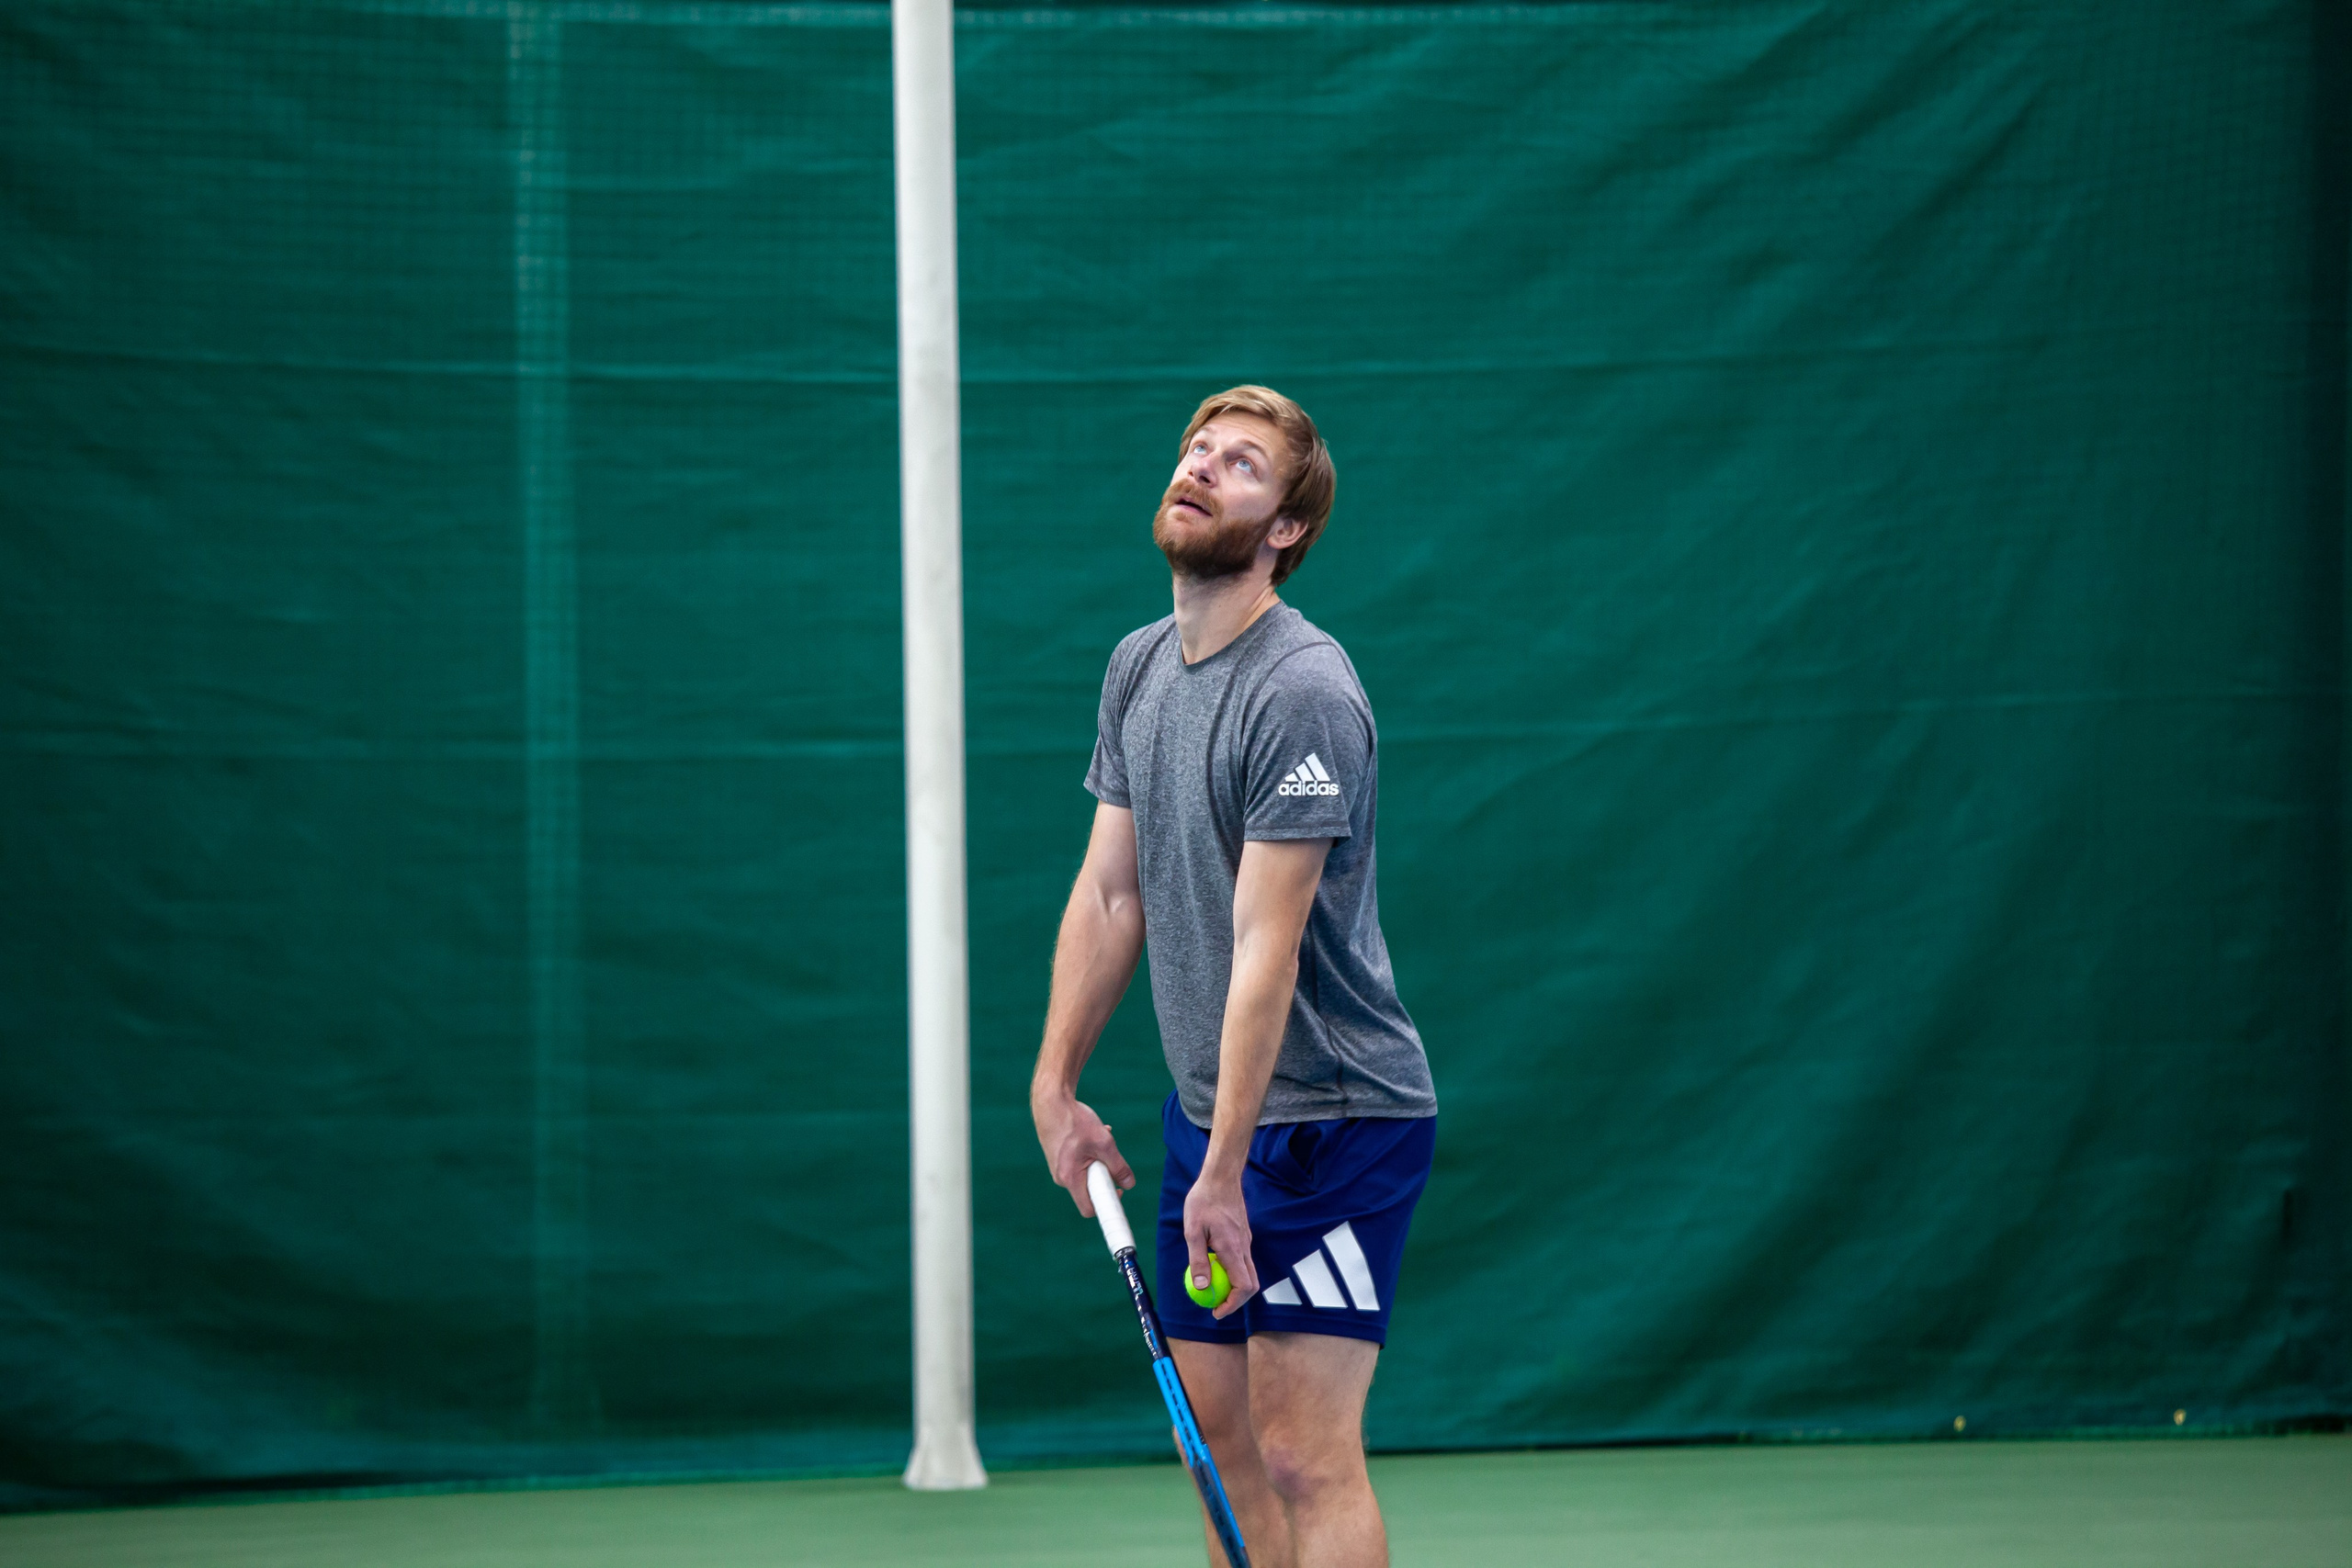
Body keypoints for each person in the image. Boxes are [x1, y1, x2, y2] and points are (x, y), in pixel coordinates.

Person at [1030, 386, 1439, 1568]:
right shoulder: (1137, 667)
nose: (1202, 467)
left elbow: (1266, 945)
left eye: (1242, 464)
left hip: (1335, 1125)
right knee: (1220, 1448)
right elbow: (1111, 895)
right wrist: (1055, 1085)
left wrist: (1223, 1174)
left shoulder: (1301, 687)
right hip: (1211, 1115)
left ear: (1286, 529)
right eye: (1197, 450)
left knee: (1305, 1453)